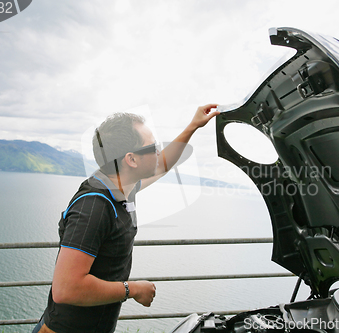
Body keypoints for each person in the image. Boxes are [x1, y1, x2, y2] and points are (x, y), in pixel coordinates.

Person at [33, 104, 219, 333]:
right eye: (153, 147)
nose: (159, 152)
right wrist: (133, 289)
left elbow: (162, 165)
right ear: (131, 159)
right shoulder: (94, 207)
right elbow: (66, 289)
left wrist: (192, 126)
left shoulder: (122, 187)